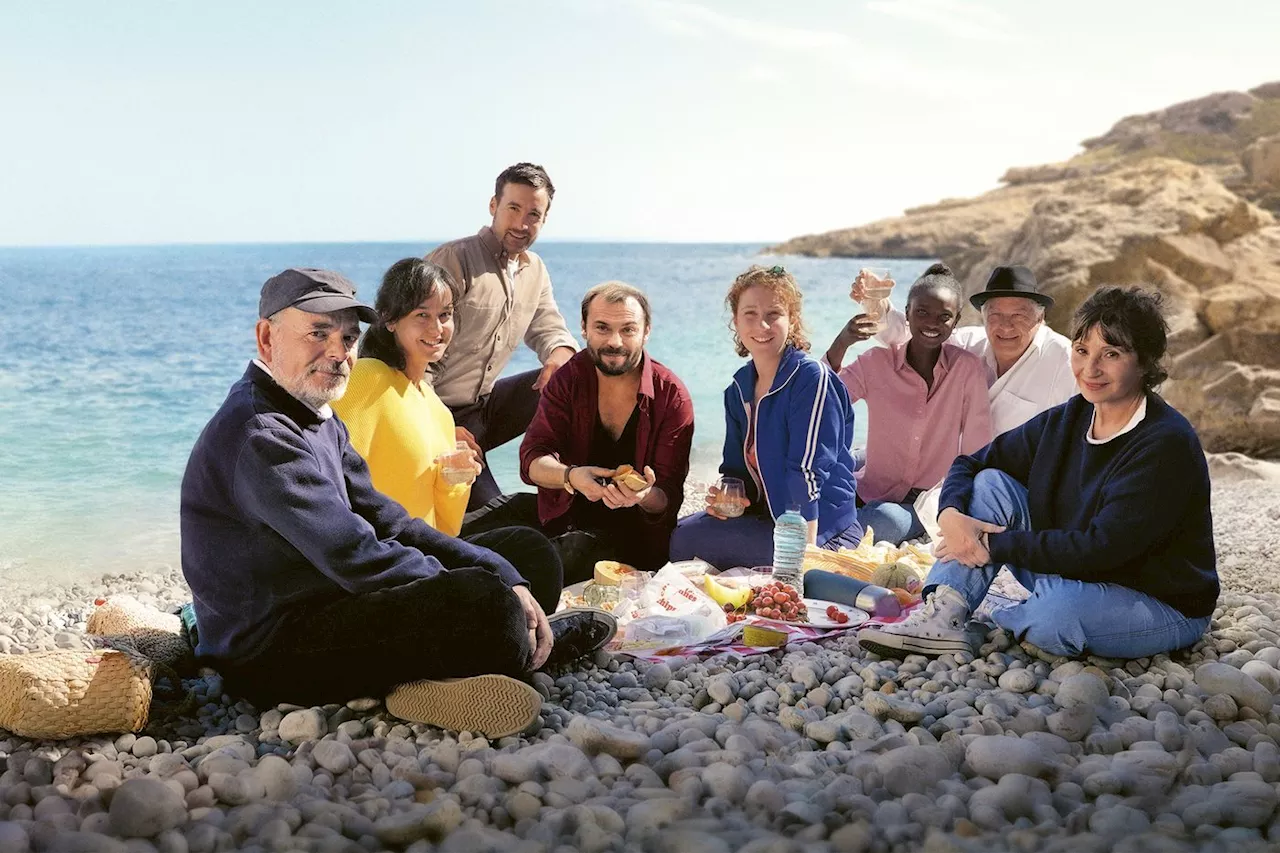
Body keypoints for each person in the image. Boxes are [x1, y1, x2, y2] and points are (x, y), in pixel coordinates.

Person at [180, 268, 615, 738]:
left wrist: (503, 574)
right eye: (318, 333)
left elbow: (391, 521)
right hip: (270, 645)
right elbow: (354, 553)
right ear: (267, 337)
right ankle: (455, 669)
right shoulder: (261, 432)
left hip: (328, 595)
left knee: (527, 560)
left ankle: (449, 667)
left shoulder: (315, 414)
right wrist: (486, 588)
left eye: (348, 337)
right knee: (489, 606)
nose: (338, 352)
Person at [857, 285, 1218, 661]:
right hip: (1075, 572)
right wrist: (951, 517)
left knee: (1059, 613)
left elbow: (1103, 549)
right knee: (991, 483)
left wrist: (988, 544)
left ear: (1144, 362)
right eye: (1082, 351)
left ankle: (1001, 622)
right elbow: (972, 463)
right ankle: (944, 614)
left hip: (1155, 598)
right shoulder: (1071, 417)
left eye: (1111, 354)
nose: (1090, 369)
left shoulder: (1163, 443)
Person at [669, 265, 862, 570]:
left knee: (698, 549)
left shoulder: (811, 379)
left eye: (774, 314)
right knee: (681, 537)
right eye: (750, 314)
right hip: (766, 519)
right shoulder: (738, 389)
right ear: (736, 322)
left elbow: (807, 474)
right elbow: (736, 471)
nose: (762, 325)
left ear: (792, 320)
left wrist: (802, 561)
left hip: (822, 530)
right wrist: (728, 499)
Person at [517, 281, 695, 579]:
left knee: (559, 554)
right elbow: (532, 459)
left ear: (646, 332)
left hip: (632, 540)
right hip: (564, 516)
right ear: (584, 329)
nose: (615, 341)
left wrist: (643, 495)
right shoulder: (568, 379)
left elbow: (667, 498)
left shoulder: (671, 396)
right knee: (482, 525)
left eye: (628, 329)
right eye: (602, 328)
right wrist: (570, 475)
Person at [427, 163, 579, 510]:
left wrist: (561, 355)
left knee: (576, 377)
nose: (522, 224)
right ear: (494, 206)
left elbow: (549, 326)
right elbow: (406, 350)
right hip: (436, 412)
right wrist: (434, 427)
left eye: (534, 214)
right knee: (495, 516)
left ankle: (572, 488)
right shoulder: (454, 260)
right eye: (513, 208)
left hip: (485, 408)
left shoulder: (534, 269)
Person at [825, 263, 993, 545]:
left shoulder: (967, 369)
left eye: (944, 317)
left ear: (956, 321)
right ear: (907, 313)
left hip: (924, 502)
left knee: (881, 521)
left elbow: (976, 448)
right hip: (869, 488)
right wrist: (840, 344)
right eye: (923, 313)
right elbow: (824, 401)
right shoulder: (876, 362)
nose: (932, 323)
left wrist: (956, 507)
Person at [332, 258, 481, 536]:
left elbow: (447, 529)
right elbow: (335, 482)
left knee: (527, 546)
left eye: (445, 315)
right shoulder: (367, 377)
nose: (437, 329)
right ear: (389, 319)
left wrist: (457, 480)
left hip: (423, 558)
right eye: (422, 315)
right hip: (376, 558)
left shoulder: (439, 412)